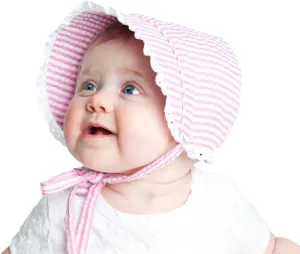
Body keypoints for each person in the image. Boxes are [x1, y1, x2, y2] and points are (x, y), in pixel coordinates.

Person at [2, 1, 300, 253]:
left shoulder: (219, 201)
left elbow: (272, 248)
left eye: (130, 89)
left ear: (186, 117)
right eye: (88, 85)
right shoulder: (65, 206)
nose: (97, 100)